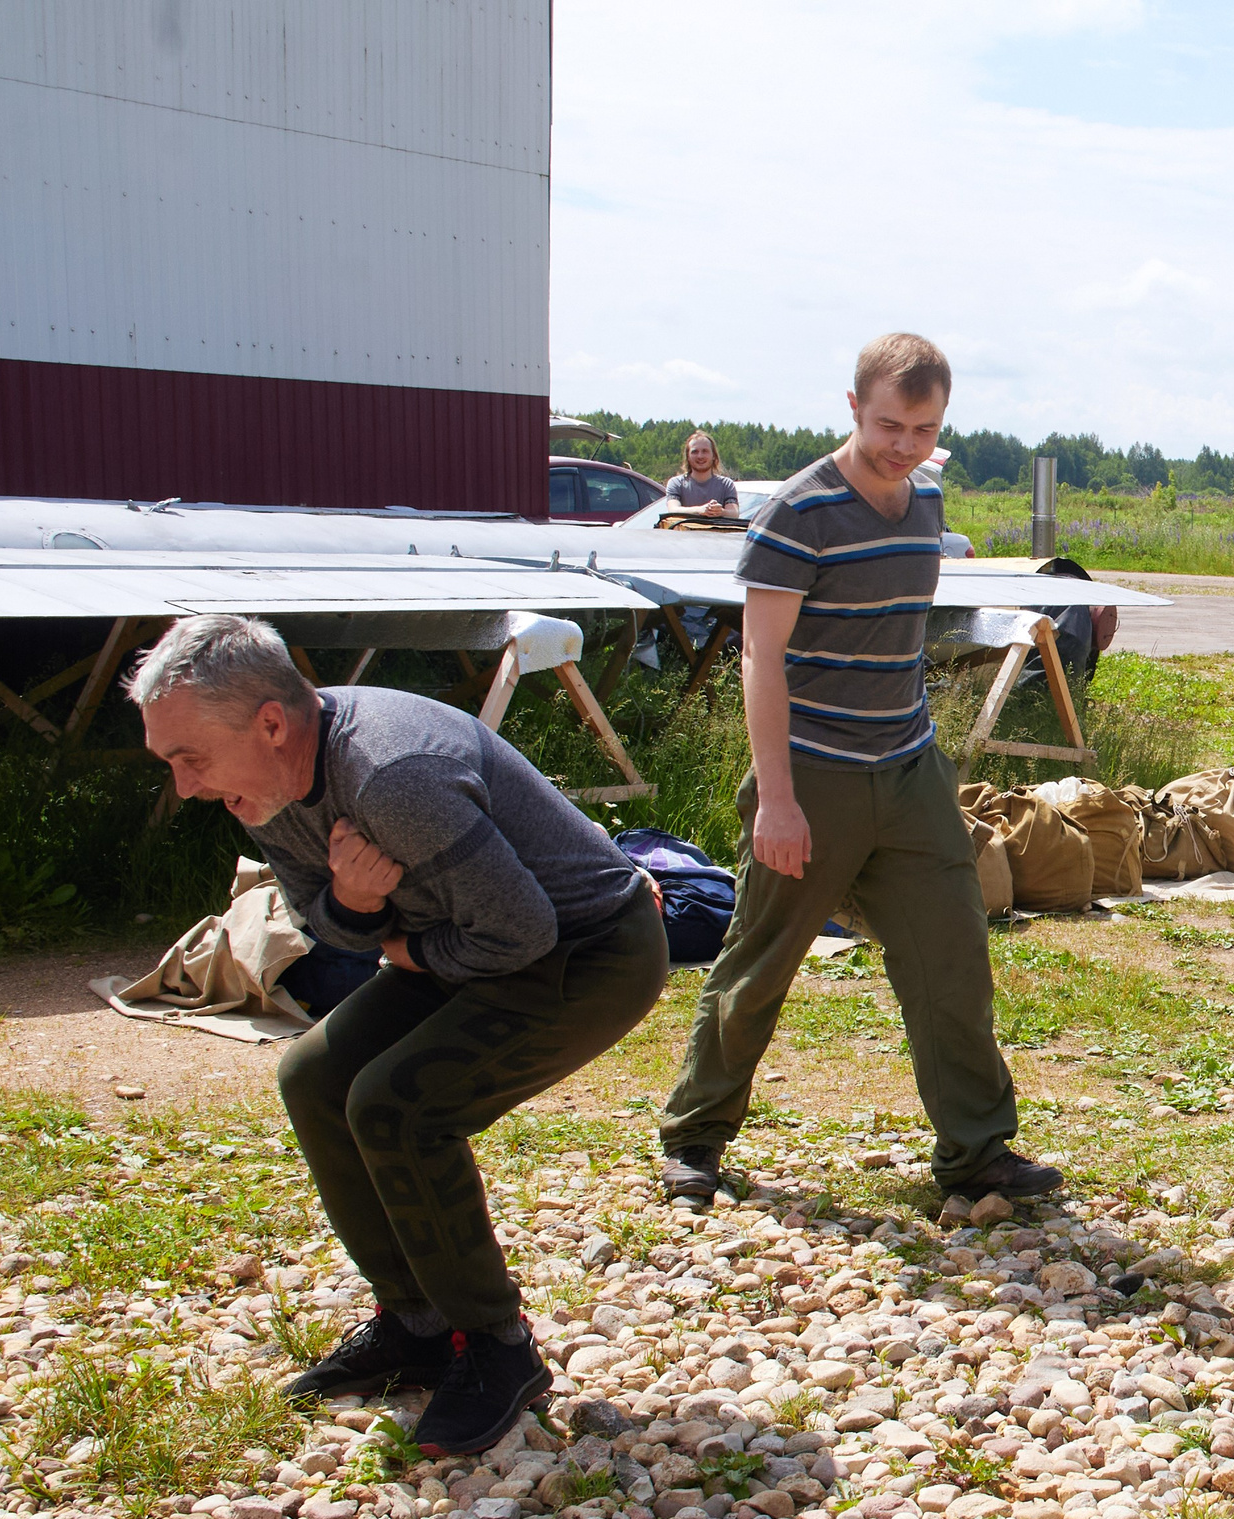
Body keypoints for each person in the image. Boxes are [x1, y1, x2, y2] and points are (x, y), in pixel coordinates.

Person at [130, 616, 667, 1455]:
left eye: (188, 758)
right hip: (467, 946)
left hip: (589, 949)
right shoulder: (260, 783)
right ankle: (417, 1325)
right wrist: (359, 905)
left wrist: (399, 942)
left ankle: (497, 1347)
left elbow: (521, 933)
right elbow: (321, 923)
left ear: (271, 723)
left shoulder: (391, 775)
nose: (187, 785)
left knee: (397, 1104)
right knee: (312, 1075)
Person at [657, 334, 1054, 1206]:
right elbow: (760, 657)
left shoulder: (926, 500)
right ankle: (693, 1135)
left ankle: (977, 1150)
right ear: (851, 407)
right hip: (812, 772)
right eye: (887, 424)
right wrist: (779, 801)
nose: (902, 444)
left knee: (953, 955)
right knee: (760, 961)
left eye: (923, 427)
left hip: (907, 767)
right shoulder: (800, 512)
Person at [666, 432, 739, 517]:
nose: (700, 456)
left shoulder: (726, 484)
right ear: (688, 457)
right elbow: (673, 510)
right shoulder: (676, 483)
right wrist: (699, 510)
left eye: (705, 451)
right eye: (694, 452)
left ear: (714, 456)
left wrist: (720, 511)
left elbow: (734, 514)